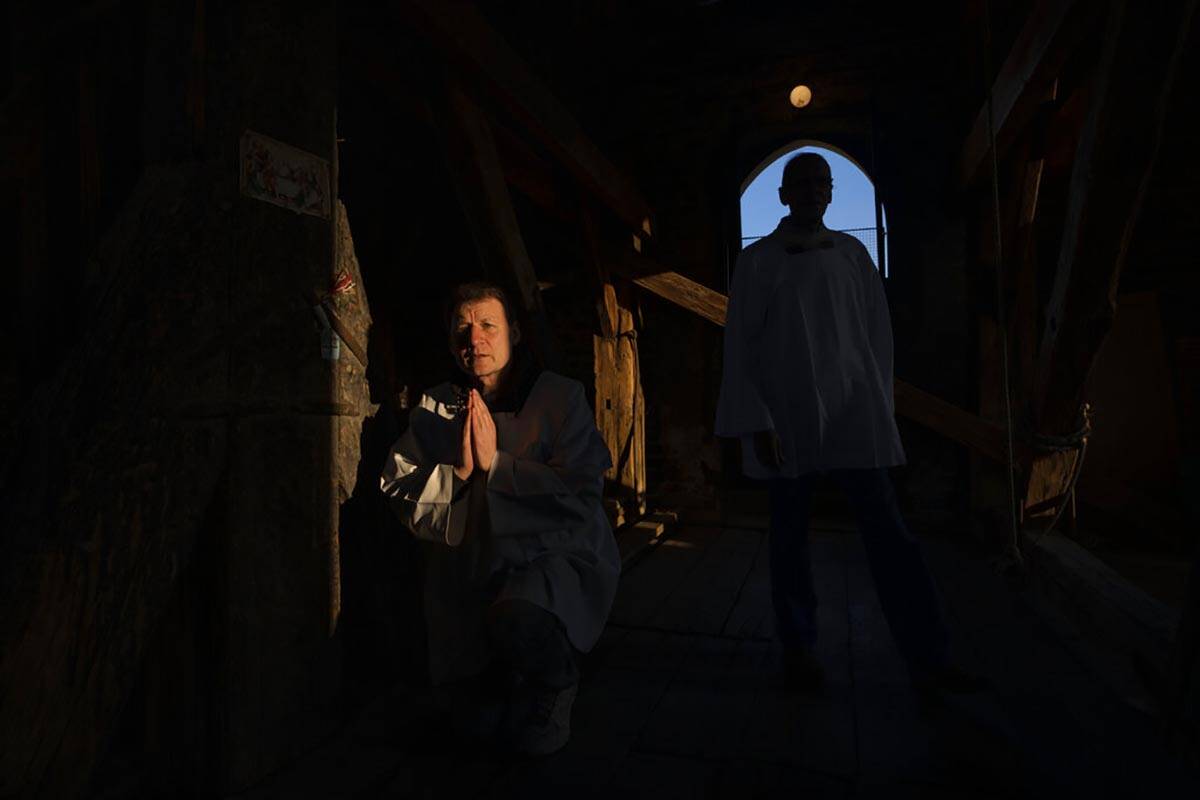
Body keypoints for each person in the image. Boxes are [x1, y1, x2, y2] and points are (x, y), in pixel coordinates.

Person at [716, 152, 979, 693]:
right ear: (784, 194)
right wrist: (755, 419)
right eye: (801, 182)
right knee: (790, 540)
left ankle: (929, 653)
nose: (813, 190)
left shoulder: (853, 255)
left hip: (852, 416)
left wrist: (876, 406)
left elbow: (876, 337)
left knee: (890, 536)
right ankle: (800, 649)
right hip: (787, 421)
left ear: (831, 193)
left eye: (821, 182)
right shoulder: (760, 261)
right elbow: (740, 345)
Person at [380, 282, 619, 754]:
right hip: (473, 563)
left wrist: (499, 467)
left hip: (554, 559)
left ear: (514, 333)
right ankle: (498, 681)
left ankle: (558, 682)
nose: (476, 340)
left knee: (520, 617)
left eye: (489, 325)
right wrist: (461, 474)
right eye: (462, 329)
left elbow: (581, 491)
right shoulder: (437, 406)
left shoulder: (559, 398)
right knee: (472, 722)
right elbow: (397, 487)